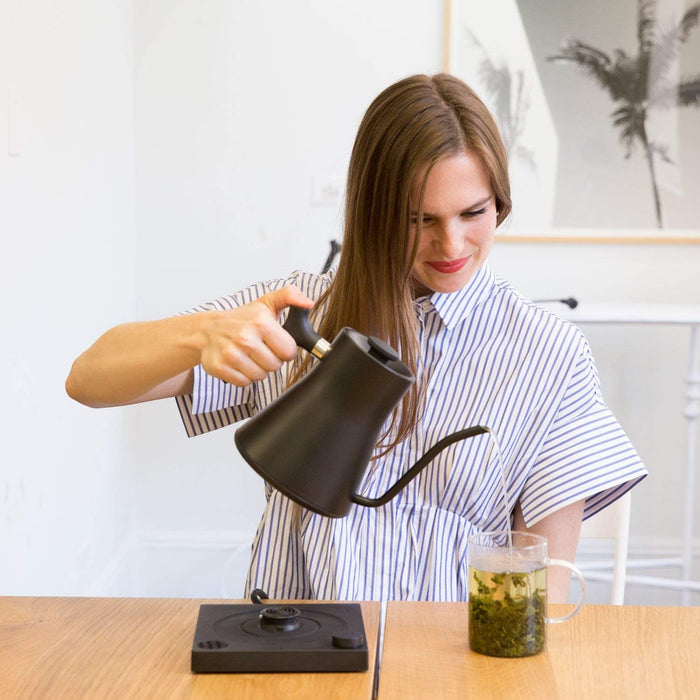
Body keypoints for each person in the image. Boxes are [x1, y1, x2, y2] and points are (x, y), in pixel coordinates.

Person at [66, 73, 647, 603]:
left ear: (500, 201)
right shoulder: (300, 312)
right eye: (419, 219)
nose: (451, 246)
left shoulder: (550, 355)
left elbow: (538, 592)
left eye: (474, 212)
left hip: (452, 668)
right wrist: (201, 335)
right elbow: (88, 379)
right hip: (297, 654)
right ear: (374, 212)